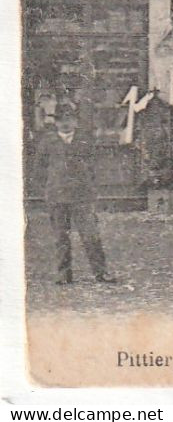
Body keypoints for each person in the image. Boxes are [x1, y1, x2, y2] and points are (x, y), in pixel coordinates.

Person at [34, 101, 117, 285]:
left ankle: (101, 272)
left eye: (69, 119)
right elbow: (38, 170)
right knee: (61, 237)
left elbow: (95, 166)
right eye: (61, 120)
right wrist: (48, 188)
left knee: (90, 236)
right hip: (57, 196)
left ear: (75, 121)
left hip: (82, 196)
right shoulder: (48, 141)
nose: (65, 123)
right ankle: (64, 274)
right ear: (55, 122)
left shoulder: (85, 140)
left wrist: (91, 187)